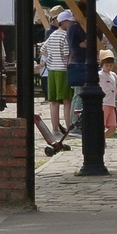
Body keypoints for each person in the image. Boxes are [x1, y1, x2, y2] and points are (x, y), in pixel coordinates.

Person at [39, 14, 72, 152]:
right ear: (63, 22)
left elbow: (43, 50)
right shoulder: (65, 35)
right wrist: (68, 61)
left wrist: (51, 59)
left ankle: (55, 128)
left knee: (53, 101)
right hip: (63, 70)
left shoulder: (52, 35)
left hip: (52, 71)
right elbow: (66, 54)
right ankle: (69, 127)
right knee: (67, 101)